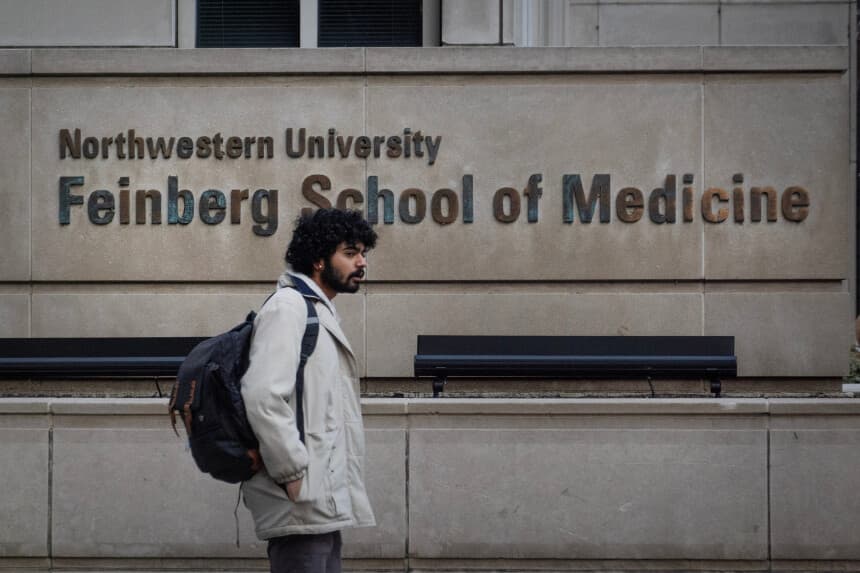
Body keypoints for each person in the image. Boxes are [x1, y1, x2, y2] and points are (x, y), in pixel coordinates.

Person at [240, 208, 378, 573]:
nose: (362, 262)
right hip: (301, 502)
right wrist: (294, 477)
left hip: (319, 504)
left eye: (363, 252)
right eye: (350, 253)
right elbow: (262, 396)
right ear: (318, 259)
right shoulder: (289, 308)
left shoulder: (318, 310)